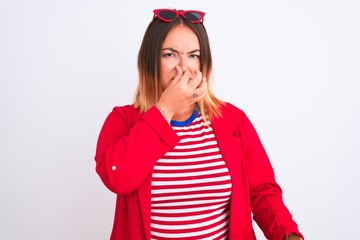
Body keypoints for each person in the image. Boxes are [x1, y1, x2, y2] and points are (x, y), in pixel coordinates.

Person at [94, 8, 304, 240]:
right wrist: (166, 109)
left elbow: (262, 191)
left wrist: (288, 234)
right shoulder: (123, 120)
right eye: (170, 54)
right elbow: (118, 178)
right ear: (150, 61)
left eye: (193, 55)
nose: (184, 67)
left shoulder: (233, 120)